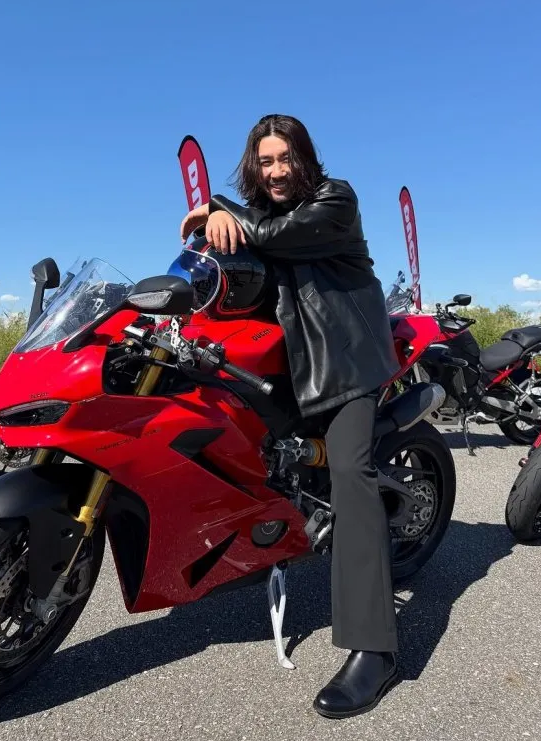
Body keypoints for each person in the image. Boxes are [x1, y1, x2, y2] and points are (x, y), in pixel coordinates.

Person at [180, 114, 401, 719]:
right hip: (285, 360)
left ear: (305, 159)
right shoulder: (251, 219)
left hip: (345, 361)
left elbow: (279, 236)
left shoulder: (334, 200)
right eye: (266, 160)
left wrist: (218, 205)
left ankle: (375, 650)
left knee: (352, 476)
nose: (277, 171)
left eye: (286, 159)